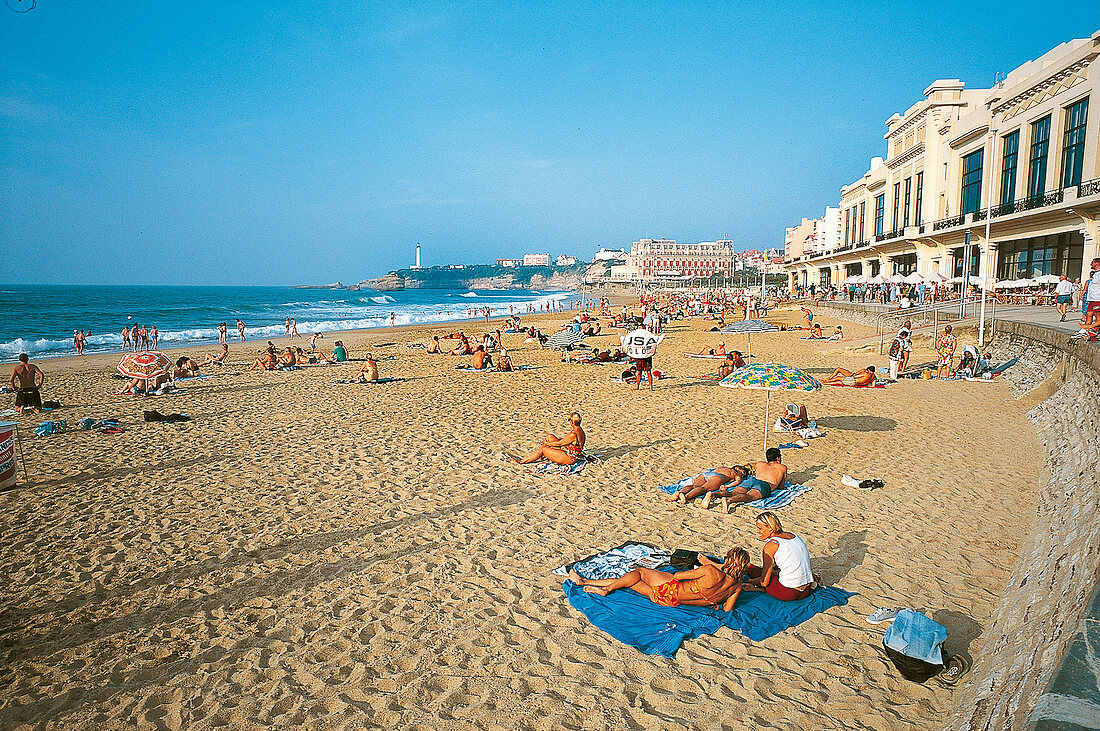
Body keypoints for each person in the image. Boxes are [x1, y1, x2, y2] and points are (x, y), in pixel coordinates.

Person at [566, 547, 753, 612]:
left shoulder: (711, 571)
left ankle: (604, 589)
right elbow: (728, 609)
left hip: (671, 589)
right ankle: (584, 582)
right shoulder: (736, 587)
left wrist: (700, 569)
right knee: (631, 582)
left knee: (639, 573)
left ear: (728, 561)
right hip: (669, 602)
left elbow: (678, 576)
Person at [705, 448, 787, 512]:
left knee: (732, 492)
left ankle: (713, 494)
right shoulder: (782, 467)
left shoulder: (759, 464)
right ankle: (729, 500)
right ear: (778, 458)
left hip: (752, 480)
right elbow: (781, 487)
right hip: (764, 485)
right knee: (749, 496)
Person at [513, 412, 585, 465]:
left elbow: (559, 443)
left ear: (571, 422)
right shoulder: (579, 430)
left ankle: (522, 461)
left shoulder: (573, 434)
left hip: (571, 457)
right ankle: (540, 456)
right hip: (570, 450)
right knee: (549, 436)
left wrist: (547, 443)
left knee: (543, 449)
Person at [664, 465, 747, 505]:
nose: (743, 475)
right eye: (743, 473)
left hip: (707, 474)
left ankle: (680, 492)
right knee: (704, 488)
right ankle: (686, 497)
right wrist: (727, 486)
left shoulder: (724, 468)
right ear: (739, 469)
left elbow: (711, 470)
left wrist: (695, 478)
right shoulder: (736, 473)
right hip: (718, 477)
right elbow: (737, 482)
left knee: (694, 486)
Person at [1077, 258, 1100, 336]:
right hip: (1091, 299)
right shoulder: (1095, 274)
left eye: (1092, 263)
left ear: (1096, 263)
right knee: (1088, 314)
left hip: (1097, 299)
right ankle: (1085, 329)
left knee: (1097, 315)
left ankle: (1096, 330)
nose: (1091, 264)